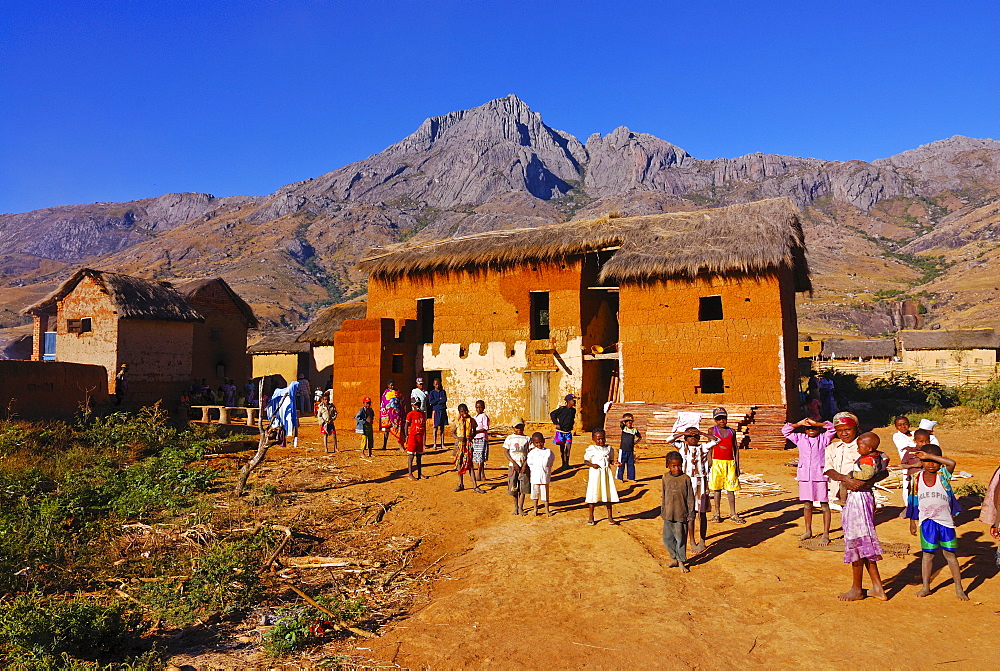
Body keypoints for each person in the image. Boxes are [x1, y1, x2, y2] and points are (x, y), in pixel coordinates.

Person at [824, 432, 889, 601]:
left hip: (858, 499)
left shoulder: (868, 458)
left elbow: (867, 476)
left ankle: (856, 588)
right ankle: (877, 587)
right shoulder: (877, 456)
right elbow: (883, 468)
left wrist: (852, 479)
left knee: (857, 543)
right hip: (864, 497)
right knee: (864, 543)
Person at [910, 445, 967, 600]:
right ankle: (926, 587)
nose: (931, 464)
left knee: (950, 555)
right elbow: (913, 500)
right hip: (927, 522)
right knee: (927, 556)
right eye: (927, 461)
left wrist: (929, 456)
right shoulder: (917, 478)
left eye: (934, 460)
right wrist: (912, 521)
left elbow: (951, 463)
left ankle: (959, 587)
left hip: (945, 521)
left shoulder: (943, 474)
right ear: (921, 462)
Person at [782, 417, 836, 544]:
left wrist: (818, 423)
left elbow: (833, 428)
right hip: (805, 475)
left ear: (819, 428)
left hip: (820, 475)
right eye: (808, 428)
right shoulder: (800, 438)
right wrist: (798, 423)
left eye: (814, 427)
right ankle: (808, 531)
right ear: (804, 429)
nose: (811, 430)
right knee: (807, 504)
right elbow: (785, 431)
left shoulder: (824, 439)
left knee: (824, 505)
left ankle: (826, 534)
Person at [669, 426, 714, 553]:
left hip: (701, 483)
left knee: (702, 513)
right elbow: (669, 440)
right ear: (685, 438)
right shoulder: (682, 447)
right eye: (690, 436)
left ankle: (702, 540)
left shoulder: (703, 447)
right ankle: (692, 541)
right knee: (690, 514)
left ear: (699, 438)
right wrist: (684, 432)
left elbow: (716, 440)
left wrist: (702, 433)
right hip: (687, 483)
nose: (693, 438)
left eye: (695, 436)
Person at [892, 416, 940, 509]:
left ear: (909, 424)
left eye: (905, 424)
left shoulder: (915, 433)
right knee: (909, 486)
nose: (903, 427)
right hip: (909, 464)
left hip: (924, 466)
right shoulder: (897, 436)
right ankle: (909, 507)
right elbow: (909, 448)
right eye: (900, 425)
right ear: (896, 427)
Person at [707, 408, 745, 524]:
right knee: (717, 489)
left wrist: (737, 465)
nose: (722, 421)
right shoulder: (712, 430)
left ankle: (733, 513)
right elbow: (709, 448)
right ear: (715, 420)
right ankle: (717, 513)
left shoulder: (732, 432)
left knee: (731, 489)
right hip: (717, 462)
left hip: (730, 463)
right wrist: (709, 463)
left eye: (723, 418)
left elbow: (735, 449)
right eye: (719, 419)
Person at [662, 451, 696, 572]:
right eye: (674, 466)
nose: (677, 468)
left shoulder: (685, 479)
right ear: (668, 465)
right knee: (667, 538)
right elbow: (664, 494)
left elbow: (691, 497)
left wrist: (691, 513)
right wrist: (663, 511)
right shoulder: (665, 477)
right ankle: (674, 558)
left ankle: (681, 561)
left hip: (681, 515)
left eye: (679, 465)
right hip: (668, 514)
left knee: (680, 538)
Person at [825, 412, 861, 509]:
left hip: (859, 493)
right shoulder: (832, 448)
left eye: (848, 429)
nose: (844, 433)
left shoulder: (864, 446)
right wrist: (846, 479)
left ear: (856, 428)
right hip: (838, 494)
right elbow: (828, 469)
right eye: (839, 430)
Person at [584, 429, 620, 526]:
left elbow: (610, 460)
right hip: (595, 474)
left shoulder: (609, 449)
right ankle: (591, 517)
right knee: (593, 494)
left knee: (608, 494)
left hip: (606, 474)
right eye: (599, 439)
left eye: (603, 439)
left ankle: (610, 517)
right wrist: (592, 465)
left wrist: (614, 463)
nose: (601, 441)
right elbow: (586, 461)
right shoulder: (591, 449)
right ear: (593, 439)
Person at [453, 403, 483, 493]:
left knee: (470, 465)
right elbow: (453, 433)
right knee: (459, 464)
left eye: (465, 410)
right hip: (459, 445)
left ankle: (475, 486)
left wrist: (471, 437)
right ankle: (460, 484)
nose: (464, 413)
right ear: (459, 412)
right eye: (462, 411)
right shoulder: (456, 421)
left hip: (468, 445)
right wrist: (458, 438)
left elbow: (474, 431)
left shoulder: (472, 420)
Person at [504, 417, 531, 515]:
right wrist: (514, 463)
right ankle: (515, 507)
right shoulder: (510, 438)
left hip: (524, 467)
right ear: (513, 428)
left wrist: (525, 465)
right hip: (512, 467)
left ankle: (521, 507)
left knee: (523, 488)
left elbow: (530, 452)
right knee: (514, 487)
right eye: (517, 427)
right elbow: (506, 452)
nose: (519, 430)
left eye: (521, 427)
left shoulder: (527, 439)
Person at [526, 432, 554, 517]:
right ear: (533, 443)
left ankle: (547, 510)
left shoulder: (548, 452)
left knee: (545, 494)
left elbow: (550, 462)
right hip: (535, 477)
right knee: (535, 494)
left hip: (544, 477)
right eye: (536, 443)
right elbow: (530, 463)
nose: (539, 444)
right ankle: (535, 509)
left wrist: (546, 470)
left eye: (540, 442)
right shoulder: (532, 453)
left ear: (544, 441)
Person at [550, 394, 577, 470]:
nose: (574, 402)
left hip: (568, 432)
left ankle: (567, 464)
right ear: (568, 401)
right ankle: (563, 463)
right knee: (562, 448)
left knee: (568, 448)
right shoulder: (562, 409)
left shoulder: (573, 410)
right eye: (573, 400)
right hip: (560, 432)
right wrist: (556, 423)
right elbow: (552, 414)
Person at [404, 398, 426, 480]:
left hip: (420, 436)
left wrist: (424, 438)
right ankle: (410, 474)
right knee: (411, 455)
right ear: (412, 405)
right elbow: (406, 425)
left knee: (419, 456)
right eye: (416, 404)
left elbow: (424, 426)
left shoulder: (422, 414)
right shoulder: (410, 414)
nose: (418, 406)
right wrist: (406, 436)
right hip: (413, 437)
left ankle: (420, 473)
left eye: (419, 404)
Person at [617, 413, 641, 482]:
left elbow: (639, 437)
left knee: (631, 464)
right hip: (623, 450)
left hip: (630, 450)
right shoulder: (624, 428)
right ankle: (620, 478)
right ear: (625, 422)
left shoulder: (634, 430)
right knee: (621, 464)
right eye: (627, 421)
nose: (629, 423)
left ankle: (631, 478)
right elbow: (620, 421)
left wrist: (635, 443)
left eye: (631, 421)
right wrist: (627, 418)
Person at [379, 381, 403, 451]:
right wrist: (384, 414)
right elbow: (383, 404)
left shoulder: (398, 392)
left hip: (397, 415)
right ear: (388, 385)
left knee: (399, 430)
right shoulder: (385, 393)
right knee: (386, 431)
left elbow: (402, 403)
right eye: (391, 385)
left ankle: (400, 446)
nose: (393, 387)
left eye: (394, 385)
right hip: (388, 415)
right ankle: (384, 445)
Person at [471, 399, 491, 482]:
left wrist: (477, 431)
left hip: (482, 438)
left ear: (483, 408)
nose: (478, 409)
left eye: (480, 407)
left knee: (481, 457)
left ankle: (478, 474)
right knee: (477, 456)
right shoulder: (475, 417)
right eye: (477, 407)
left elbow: (486, 428)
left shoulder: (484, 416)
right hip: (475, 439)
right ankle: (482, 475)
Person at [428, 378, 449, 450]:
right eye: (436, 384)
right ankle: (434, 444)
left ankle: (442, 444)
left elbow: (444, 399)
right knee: (435, 427)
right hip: (436, 411)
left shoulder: (443, 392)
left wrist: (439, 401)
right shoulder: (432, 393)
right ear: (433, 384)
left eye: (438, 384)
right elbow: (431, 402)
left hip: (442, 410)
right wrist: (439, 399)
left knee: (442, 428)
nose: (437, 385)